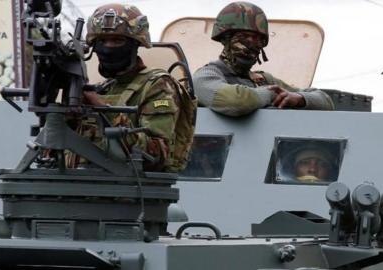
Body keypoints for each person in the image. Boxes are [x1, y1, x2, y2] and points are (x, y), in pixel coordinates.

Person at [78, 3, 191, 172]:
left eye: (117, 40)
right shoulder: (104, 89)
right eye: (102, 41)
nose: (108, 48)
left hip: (130, 194)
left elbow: (157, 154)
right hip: (80, 190)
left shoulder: (157, 85)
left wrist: (105, 112)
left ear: (135, 44)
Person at [193, 1, 334, 116]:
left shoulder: (263, 80)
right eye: (244, 37)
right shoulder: (205, 77)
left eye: (258, 39)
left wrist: (299, 99)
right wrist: (271, 95)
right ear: (226, 39)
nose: (252, 44)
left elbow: (325, 101)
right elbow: (236, 101)